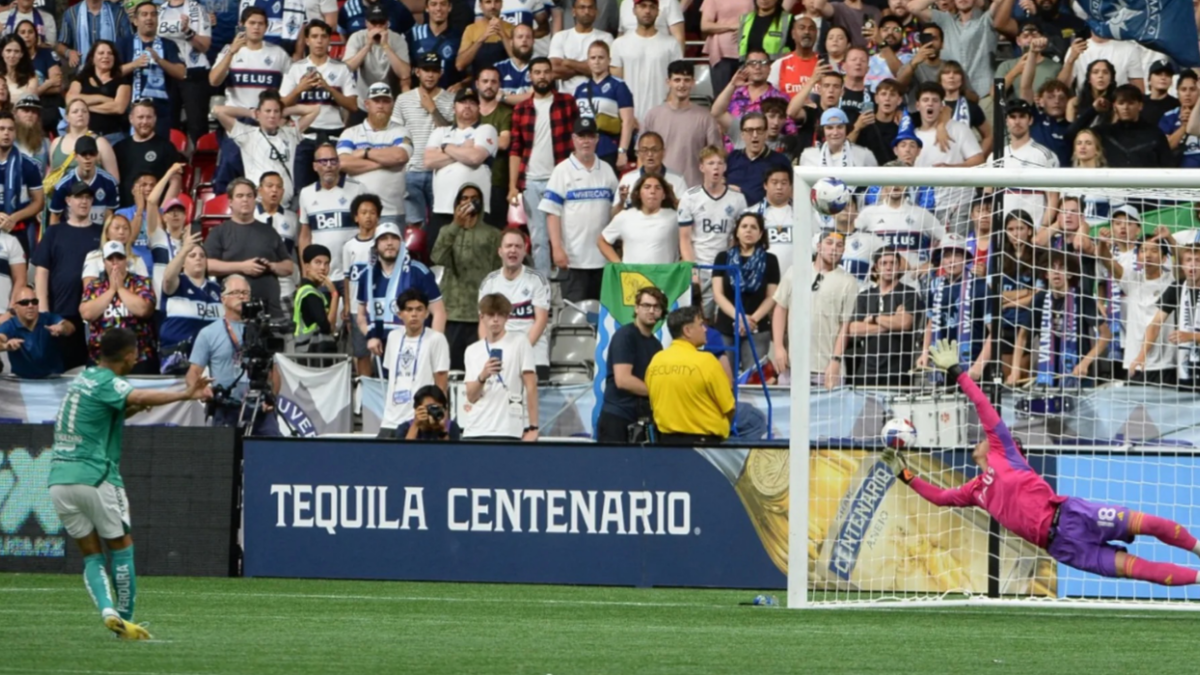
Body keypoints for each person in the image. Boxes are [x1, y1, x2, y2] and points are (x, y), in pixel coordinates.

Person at [886, 337, 1200, 589]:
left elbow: (982, 404)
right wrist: (905, 475)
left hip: (1075, 516)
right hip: (1064, 548)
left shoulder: (1004, 451)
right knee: (1137, 570)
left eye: (981, 438)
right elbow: (940, 498)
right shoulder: (975, 491)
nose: (977, 440)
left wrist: (957, 372)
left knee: (1154, 524)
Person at [47, 327, 211, 641]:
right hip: (95, 476)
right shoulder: (110, 381)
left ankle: (107, 610)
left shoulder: (85, 378)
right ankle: (126, 621)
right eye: (136, 351)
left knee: (91, 554)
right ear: (128, 355)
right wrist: (185, 394)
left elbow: (113, 411)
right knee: (121, 548)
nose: (139, 356)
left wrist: (135, 407)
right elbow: (135, 395)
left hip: (59, 479)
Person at [507, 57, 576, 273]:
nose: (542, 76)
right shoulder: (521, 109)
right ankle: (544, 288)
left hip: (562, 179)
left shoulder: (567, 102)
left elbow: (577, 140)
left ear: (552, 74)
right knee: (538, 237)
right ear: (530, 76)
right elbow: (516, 149)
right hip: (532, 181)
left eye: (546, 72)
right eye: (537, 72)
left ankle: (567, 285)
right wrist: (512, 186)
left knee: (567, 234)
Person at [538, 116, 616, 302]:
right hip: (573, 261)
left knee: (601, 317)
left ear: (597, 139)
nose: (586, 141)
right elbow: (552, 213)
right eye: (581, 137)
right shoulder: (562, 170)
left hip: (603, 260)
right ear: (573, 139)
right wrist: (557, 248)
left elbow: (615, 213)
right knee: (574, 320)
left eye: (590, 136)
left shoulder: (607, 170)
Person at [186, 275, 277, 433]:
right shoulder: (208, 333)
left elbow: (274, 372)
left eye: (245, 293)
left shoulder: (261, 330)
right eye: (236, 292)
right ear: (223, 299)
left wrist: (271, 398)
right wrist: (200, 390)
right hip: (226, 407)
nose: (242, 296)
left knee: (274, 452)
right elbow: (193, 372)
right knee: (226, 456)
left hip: (259, 409)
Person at [280, 20, 358, 192]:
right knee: (301, 191)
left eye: (323, 36)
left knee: (338, 190)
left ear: (329, 40)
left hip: (334, 135)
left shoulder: (341, 69)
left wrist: (328, 88)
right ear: (307, 40)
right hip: (304, 137)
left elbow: (353, 105)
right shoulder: (296, 69)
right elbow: (281, 105)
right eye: (314, 36)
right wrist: (300, 89)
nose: (319, 41)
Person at [430, 182, 501, 369]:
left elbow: (497, 271)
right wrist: (456, 225)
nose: (469, 202)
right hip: (452, 312)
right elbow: (436, 257)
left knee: (478, 367)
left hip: (480, 313)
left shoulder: (493, 234)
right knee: (450, 367)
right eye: (464, 198)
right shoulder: (447, 231)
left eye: (474, 199)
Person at [204, 178, 295, 319]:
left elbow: (288, 267)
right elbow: (207, 265)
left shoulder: (269, 231)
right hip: (234, 312)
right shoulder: (219, 232)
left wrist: (271, 266)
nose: (245, 200)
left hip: (270, 310)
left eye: (249, 196)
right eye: (240, 196)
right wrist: (242, 267)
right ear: (230, 202)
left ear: (255, 199)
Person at [32, 181, 100, 369]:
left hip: (92, 314)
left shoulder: (101, 233)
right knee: (57, 370)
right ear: (68, 200)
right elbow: (41, 272)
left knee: (90, 370)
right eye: (79, 197)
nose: (84, 201)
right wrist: (44, 311)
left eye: (88, 197)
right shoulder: (54, 232)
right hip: (59, 312)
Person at [358, 221, 445, 365]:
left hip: (417, 346)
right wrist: (370, 336)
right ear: (376, 245)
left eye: (394, 238)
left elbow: (439, 312)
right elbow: (360, 315)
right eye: (384, 239)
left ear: (401, 243)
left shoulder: (418, 272)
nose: (389, 243)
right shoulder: (366, 276)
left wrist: (433, 346)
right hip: (383, 350)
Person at [645, 305, 735, 445]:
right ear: (687, 330)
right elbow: (729, 407)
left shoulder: (656, 361)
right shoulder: (706, 361)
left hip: (665, 443)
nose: (705, 329)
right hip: (705, 445)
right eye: (700, 325)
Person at [213, 90, 319, 208]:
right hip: (257, 206)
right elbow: (218, 110)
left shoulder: (290, 134)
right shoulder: (247, 134)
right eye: (268, 111)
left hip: (285, 206)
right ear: (259, 113)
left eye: (276, 111)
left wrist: (285, 110)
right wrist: (249, 113)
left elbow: (315, 109)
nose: (272, 115)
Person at [425, 86, 500, 244]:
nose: (467, 106)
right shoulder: (440, 132)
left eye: (472, 103)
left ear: (479, 108)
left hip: (475, 212)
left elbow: (475, 158)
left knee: (472, 261)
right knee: (437, 260)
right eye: (462, 102)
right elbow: (429, 161)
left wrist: (446, 147)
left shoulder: (486, 129)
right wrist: (462, 150)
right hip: (442, 209)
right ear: (454, 107)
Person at [1099, 231, 1175, 385]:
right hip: (1135, 363)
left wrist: (1170, 238)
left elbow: (1181, 261)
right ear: (1137, 256)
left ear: (1164, 258)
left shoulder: (1172, 281)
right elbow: (1106, 260)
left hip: (1166, 363)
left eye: (1154, 251)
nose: (1148, 255)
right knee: (1136, 410)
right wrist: (1102, 242)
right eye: (1143, 250)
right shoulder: (1131, 280)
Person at [678, 145, 747, 313]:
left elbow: (741, 237)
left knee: (724, 319)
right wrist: (693, 270)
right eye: (710, 163)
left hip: (726, 269)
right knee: (698, 320)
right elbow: (684, 239)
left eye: (719, 163)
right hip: (699, 267)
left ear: (725, 167)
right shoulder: (690, 198)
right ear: (701, 167)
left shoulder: (737, 198)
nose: (716, 167)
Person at [462, 292, 538, 441]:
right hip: (475, 429)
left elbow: (531, 385)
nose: (495, 320)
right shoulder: (472, 350)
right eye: (491, 314)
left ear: (507, 317)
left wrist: (533, 426)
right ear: (482, 317)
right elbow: (471, 397)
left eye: (501, 314)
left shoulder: (520, 342)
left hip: (508, 429)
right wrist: (483, 375)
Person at [392, 52, 455, 232]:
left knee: (441, 226)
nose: (430, 75)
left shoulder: (451, 100)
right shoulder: (403, 100)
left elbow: (450, 135)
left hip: (440, 172)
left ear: (440, 73)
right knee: (414, 227)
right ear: (417, 72)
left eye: (434, 70)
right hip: (411, 172)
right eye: (426, 70)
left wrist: (433, 109)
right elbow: (395, 134)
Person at [912, 82, 984, 235]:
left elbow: (978, 159)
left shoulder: (958, 129)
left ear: (941, 106)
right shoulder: (912, 136)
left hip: (958, 202)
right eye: (925, 100)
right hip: (924, 206)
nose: (930, 103)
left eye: (935, 100)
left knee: (956, 252)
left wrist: (951, 169)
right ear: (918, 105)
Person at [336, 83, 413, 227]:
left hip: (391, 212)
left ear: (392, 105)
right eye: (376, 101)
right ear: (367, 104)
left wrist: (365, 153)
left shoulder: (402, 131)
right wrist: (385, 162)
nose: (381, 105)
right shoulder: (350, 133)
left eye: (385, 101)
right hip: (357, 213)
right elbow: (343, 163)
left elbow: (400, 157)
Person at [917, 234, 992, 381]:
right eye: (947, 255)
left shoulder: (980, 287)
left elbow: (995, 332)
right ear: (941, 260)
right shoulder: (934, 286)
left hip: (971, 367)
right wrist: (925, 352)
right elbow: (931, 323)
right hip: (941, 367)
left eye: (957, 255)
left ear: (965, 258)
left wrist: (979, 365)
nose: (951, 261)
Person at [712, 211, 780, 371]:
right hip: (726, 327)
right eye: (744, 226)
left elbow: (772, 297)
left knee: (752, 379)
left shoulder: (770, 260)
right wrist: (739, 317)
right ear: (736, 231)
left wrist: (751, 321)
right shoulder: (722, 257)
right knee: (724, 379)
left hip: (757, 327)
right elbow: (718, 294)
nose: (748, 230)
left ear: (760, 233)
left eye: (753, 227)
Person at [596, 285, 665, 443]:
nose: (651, 310)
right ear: (636, 308)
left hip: (642, 419)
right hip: (617, 418)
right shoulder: (625, 336)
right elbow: (623, 380)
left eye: (656, 307)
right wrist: (659, 394)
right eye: (646, 305)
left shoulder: (656, 345)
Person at [378, 287, 450, 437]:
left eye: (419, 309)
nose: (414, 314)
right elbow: (392, 376)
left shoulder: (436, 339)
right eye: (409, 309)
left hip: (419, 420)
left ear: (426, 313)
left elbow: (441, 383)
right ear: (400, 314)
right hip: (390, 419)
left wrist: (439, 417)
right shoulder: (393, 337)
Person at [479, 229, 550, 381]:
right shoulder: (489, 282)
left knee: (533, 403)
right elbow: (483, 323)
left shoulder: (537, 280)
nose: (513, 250)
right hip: (498, 356)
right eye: (508, 246)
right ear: (500, 251)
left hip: (533, 355)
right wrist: (486, 351)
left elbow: (541, 320)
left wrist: (519, 351)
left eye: (518, 246)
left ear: (525, 251)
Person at [847, 247, 923, 386]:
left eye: (892, 263)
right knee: (865, 408)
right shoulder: (865, 296)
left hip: (898, 370)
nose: (888, 267)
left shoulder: (909, 293)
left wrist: (874, 318)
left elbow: (904, 324)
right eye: (884, 263)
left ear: (899, 266)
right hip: (867, 370)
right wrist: (890, 323)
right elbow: (853, 329)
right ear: (876, 267)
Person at [642, 60, 724, 188]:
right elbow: (641, 155)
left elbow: (715, 158)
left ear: (693, 82)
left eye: (686, 80)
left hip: (694, 189)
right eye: (677, 80)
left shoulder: (706, 118)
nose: (682, 84)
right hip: (660, 190)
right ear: (668, 82)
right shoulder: (653, 115)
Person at [80, 240, 157, 371]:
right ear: (104, 263)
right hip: (101, 360)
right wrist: (111, 291)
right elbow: (87, 313)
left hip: (137, 359)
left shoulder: (141, 282)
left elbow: (144, 310)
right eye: (110, 258)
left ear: (126, 260)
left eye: (119, 257)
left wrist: (120, 289)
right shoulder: (95, 286)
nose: (115, 262)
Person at [157, 229, 222, 374]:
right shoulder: (177, 284)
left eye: (202, 256)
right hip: (177, 359)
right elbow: (167, 277)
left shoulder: (217, 290)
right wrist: (185, 248)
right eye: (192, 255)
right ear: (183, 262)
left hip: (211, 360)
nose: (198, 258)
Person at [118, 0, 185, 140]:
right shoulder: (124, 43)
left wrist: (160, 60)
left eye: (153, 15)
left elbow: (181, 73)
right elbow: (112, 73)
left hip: (161, 112)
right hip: (130, 110)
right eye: (144, 14)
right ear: (135, 21)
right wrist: (134, 64)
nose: (149, 18)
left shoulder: (168, 45)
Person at [610, 0, 682, 126]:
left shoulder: (671, 44)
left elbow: (677, 83)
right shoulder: (619, 44)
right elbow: (615, 84)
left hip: (663, 118)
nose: (647, 11)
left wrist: (667, 112)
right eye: (643, 6)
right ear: (634, 10)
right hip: (630, 120)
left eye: (652, 7)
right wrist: (625, 117)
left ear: (658, 12)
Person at [856, 178, 945, 279]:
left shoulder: (921, 213)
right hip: (877, 283)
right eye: (890, 180)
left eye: (900, 179)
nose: (895, 185)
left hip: (911, 282)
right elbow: (851, 238)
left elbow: (947, 239)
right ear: (883, 185)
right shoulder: (868, 213)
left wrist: (932, 263)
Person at [571, 40, 632, 171]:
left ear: (609, 60)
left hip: (608, 149)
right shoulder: (580, 89)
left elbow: (628, 121)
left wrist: (622, 151)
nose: (597, 61)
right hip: (583, 151)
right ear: (588, 61)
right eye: (593, 58)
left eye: (601, 57)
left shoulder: (619, 86)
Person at [157, 0, 213, 143]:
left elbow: (205, 46)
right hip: (166, 74)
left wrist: (188, 32)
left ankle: (199, 164)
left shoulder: (198, 9)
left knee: (197, 126)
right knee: (168, 125)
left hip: (194, 72)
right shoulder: (159, 10)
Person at [711, 50, 793, 145]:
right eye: (752, 63)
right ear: (745, 67)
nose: (758, 67)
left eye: (763, 63)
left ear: (769, 68)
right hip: (735, 155)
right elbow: (716, 114)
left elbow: (790, 133)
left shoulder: (782, 98)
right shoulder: (732, 95)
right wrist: (732, 85)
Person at [112, 100, 182, 207]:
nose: (145, 122)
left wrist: (163, 210)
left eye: (149, 117)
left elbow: (175, 181)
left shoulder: (166, 147)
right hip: (124, 214)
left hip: (154, 213)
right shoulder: (119, 148)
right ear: (131, 119)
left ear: (155, 119)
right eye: (140, 117)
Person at [600, 174, 680, 265]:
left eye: (658, 188)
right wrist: (619, 264)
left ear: (664, 195)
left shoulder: (675, 217)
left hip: (665, 276)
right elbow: (602, 241)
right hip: (633, 276)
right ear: (638, 194)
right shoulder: (625, 217)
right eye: (647, 187)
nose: (652, 191)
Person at [0, 285, 74, 378]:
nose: (30, 306)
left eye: (34, 302)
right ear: (15, 307)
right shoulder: (10, 325)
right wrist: (5, 346)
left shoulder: (48, 318)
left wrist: (62, 328)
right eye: (24, 302)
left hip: (52, 379)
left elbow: (70, 327)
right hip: (22, 381)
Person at [1093, 85, 1173, 170]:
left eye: (1130, 103)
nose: (1125, 107)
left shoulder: (1155, 134)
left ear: (1140, 106)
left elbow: (1168, 167)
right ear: (1114, 107)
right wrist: (1093, 110)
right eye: (1121, 103)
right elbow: (1078, 133)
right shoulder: (1104, 133)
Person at [344, 4, 411, 99]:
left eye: (381, 22)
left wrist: (385, 46)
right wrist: (367, 46)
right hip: (364, 100)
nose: (378, 26)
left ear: (387, 23)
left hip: (390, 100)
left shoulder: (397, 39)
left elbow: (404, 74)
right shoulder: (357, 37)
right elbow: (346, 69)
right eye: (374, 22)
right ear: (366, 23)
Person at [0, 109, 43, 256]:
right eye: (1, 129)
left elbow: (39, 202)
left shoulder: (29, 166)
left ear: (16, 133)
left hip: (19, 231)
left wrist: (15, 217)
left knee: (19, 278)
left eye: (10, 129)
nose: (6, 133)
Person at [48, 135, 118, 225]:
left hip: (98, 236)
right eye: (83, 154)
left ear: (97, 155)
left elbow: (109, 216)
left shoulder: (109, 183)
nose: (87, 158)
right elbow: (54, 218)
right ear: (76, 156)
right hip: (71, 235)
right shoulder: (63, 185)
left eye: (91, 154)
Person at [725, 112, 790, 207]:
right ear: (742, 135)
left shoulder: (780, 162)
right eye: (749, 130)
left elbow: (787, 195)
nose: (755, 135)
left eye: (759, 130)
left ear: (766, 134)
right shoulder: (732, 158)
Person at [475, 65, 513, 227]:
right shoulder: (468, 109)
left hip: (497, 180)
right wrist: (491, 141)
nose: (489, 85)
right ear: (477, 84)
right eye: (485, 81)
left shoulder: (506, 113)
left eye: (493, 82)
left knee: (495, 232)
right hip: (470, 179)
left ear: (499, 85)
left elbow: (504, 143)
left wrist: (473, 140)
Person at [548, 0, 613, 95]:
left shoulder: (606, 38)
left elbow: (605, 70)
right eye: (582, 7)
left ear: (596, 11)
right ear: (573, 11)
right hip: (566, 98)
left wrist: (569, 62)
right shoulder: (560, 37)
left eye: (590, 7)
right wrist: (586, 67)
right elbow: (553, 70)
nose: (586, 11)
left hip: (598, 96)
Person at [611, 131, 687, 211]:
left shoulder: (678, 180)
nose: (650, 154)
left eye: (654, 150)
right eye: (644, 150)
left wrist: (673, 198)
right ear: (638, 153)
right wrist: (622, 202)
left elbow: (686, 214)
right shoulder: (627, 179)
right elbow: (614, 216)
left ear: (663, 152)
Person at [57, 0, 132, 75]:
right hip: (82, 74)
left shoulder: (118, 12)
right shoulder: (71, 13)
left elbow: (130, 42)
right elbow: (60, 46)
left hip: (113, 74)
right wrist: (69, 53)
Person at [291, 243, 339, 353]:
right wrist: (335, 295)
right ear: (307, 267)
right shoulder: (309, 293)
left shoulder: (311, 290)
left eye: (326, 264)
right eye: (318, 262)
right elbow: (327, 328)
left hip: (306, 349)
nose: (323, 268)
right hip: (312, 351)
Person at [406, 0, 463, 91]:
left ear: (450, 7)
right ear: (426, 8)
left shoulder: (459, 37)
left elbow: (470, 73)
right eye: (433, 4)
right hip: (418, 98)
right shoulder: (413, 35)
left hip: (448, 97)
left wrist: (462, 85)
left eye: (443, 4)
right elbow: (404, 70)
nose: (438, 8)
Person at [750, 166, 796, 275]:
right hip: (761, 278)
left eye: (784, 183)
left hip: (795, 279)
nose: (779, 187)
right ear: (765, 185)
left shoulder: (803, 214)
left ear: (790, 186)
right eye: (774, 182)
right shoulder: (752, 214)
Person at [798, 107, 878, 168]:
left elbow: (876, 185)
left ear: (847, 129)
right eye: (829, 128)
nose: (835, 132)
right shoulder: (808, 155)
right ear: (822, 130)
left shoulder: (864, 155)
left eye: (840, 127)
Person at [850, 78, 905, 164]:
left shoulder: (902, 126)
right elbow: (845, 148)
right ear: (876, 98)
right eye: (883, 94)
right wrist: (857, 128)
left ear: (899, 100)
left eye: (892, 95)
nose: (887, 98)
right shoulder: (862, 121)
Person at [456, 0, 513, 78]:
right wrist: (482, 38)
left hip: (506, 83)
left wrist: (503, 35)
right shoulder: (471, 30)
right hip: (479, 84)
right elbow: (459, 65)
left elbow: (519, 62)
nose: (493, 6)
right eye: (488, 2)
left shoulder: (511, 29)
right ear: (480, 5)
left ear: (501, 4)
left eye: (497, 2)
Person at [766, 14, 817, 99]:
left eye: (811, 29)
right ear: (793, 34)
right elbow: (770, 97)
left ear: (816, 34)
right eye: (802, 28)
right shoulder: (780, 64)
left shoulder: (824, 63)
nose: (807, 32)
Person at [1162, 70, 1200, 169]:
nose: (1188, 94)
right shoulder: (1169, 117)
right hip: (1179, 174)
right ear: (1177, 92)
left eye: (1192, 89)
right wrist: (1184, 126)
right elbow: (1165, 148)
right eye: (1183, 89)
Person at [396, 384, 461, 440]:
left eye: (437, 408)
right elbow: (405, 451)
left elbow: (449, 452)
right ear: (417, 409)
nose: (434, 412)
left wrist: (442, 430)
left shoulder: (451, 426)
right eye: (430, 408)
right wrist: (415, 425)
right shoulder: (405, 428)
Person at [494, 23, 533, 107]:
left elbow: (535, 97)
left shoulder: (540, 68)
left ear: (533, 41)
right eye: (520, 37)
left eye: (528, 37)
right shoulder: (497, 68)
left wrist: (503, 97)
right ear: (511, 42)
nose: (524, 40)